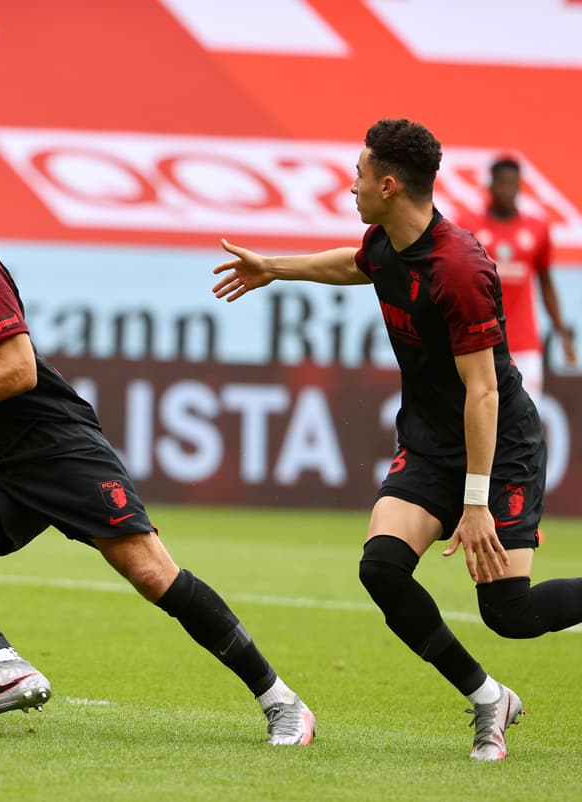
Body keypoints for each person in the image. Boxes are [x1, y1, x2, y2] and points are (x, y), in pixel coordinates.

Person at [0, 138, 315, 744]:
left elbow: (19, 369)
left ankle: (282, 702)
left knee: (152, 574)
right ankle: (6, 668)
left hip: (57, 448)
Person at [212, 118, 582, 761]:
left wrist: (474, 503)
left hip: (499, 448)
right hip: (430, 442)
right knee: (382, 568)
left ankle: (495, 689)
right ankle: (489, 698)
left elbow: (484, 393)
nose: (351, 186)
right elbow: (356, 264)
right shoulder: (386, 241)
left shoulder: (460, 267)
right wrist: (273, 266)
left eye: (358, 175)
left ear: (388, 185)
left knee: (509, 614)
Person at [458, 156, 575, 404]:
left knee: (526, 414)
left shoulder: (537, 229)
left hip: (524, 344)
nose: (507, 191)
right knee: (481, 412)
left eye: (512, 184)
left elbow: (546, 284)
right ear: (490, 186)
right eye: (502, 183)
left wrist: (562, 333)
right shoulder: (468, 227)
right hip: (481, 341)